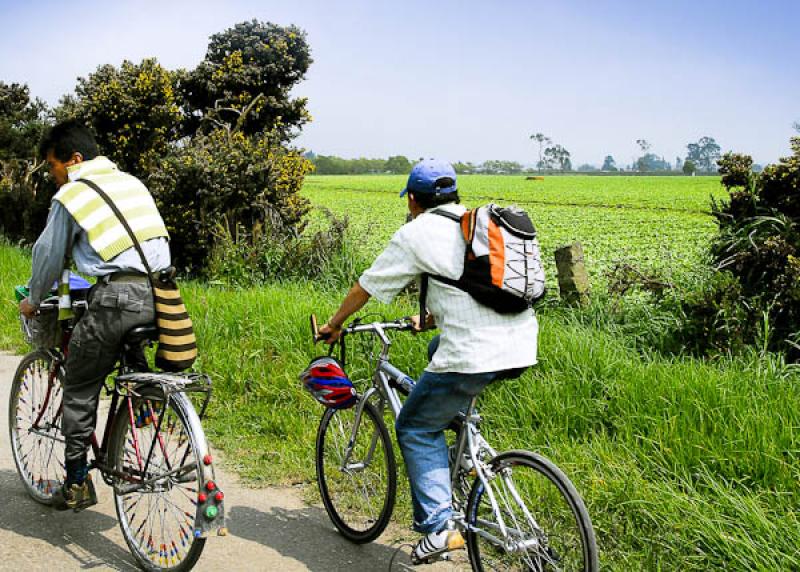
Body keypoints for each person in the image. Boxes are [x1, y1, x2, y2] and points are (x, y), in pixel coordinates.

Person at [318, 159, 539, 564]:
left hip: (473, 352)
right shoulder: (474, 227)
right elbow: (473, 287)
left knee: (415, 426)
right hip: (521, 343)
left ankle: (439, 528)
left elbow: (366, 286)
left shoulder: (416, 233)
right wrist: (433, 317)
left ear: (414, 200)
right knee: (435, 350)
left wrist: (334, 325)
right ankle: (464, 441)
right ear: (453, 194)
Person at [19, 120, 171, 511]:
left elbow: (49, 255)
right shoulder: (131, 182)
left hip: (115, 298)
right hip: (162, 295)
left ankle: (75, 482)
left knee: (80, 387)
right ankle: (142, 416)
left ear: (74, 160)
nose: (53, 177)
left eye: (53, 167)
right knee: (130, 368)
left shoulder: (74, 193)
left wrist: (34, 300)